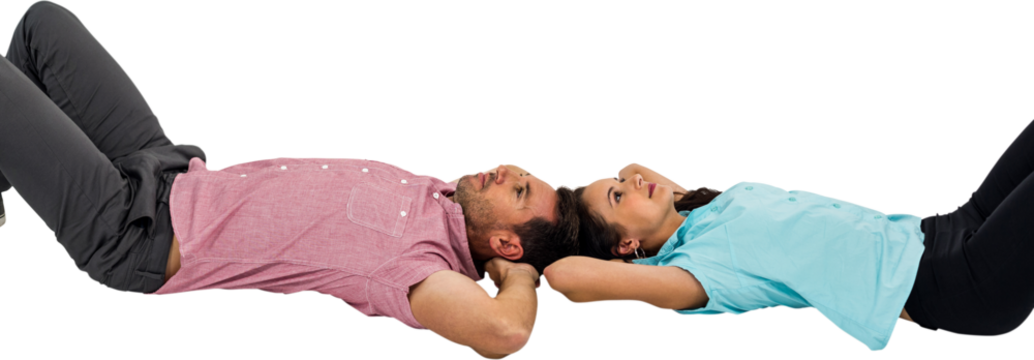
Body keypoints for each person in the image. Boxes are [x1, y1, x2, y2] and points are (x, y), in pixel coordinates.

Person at [0, 2, 580, 359]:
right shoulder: (438, 192)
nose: (507, 173)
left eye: (519, 192)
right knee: (42, 27)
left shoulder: (422, 269)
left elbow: (505, 332)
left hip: (133, 233)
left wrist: (522, 274)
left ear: (506, 243)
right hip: (169, 168)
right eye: (523, 176)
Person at [543, 122, 1034, 352]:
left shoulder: (695, 208)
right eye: (616, 198)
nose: (630, 182)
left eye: (615, 182)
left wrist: (584, 195)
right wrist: (532, 250)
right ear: (625, 249)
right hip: (955, 284)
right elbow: (564, 275)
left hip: (945, 228)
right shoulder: (693, 274)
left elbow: (634, 168)